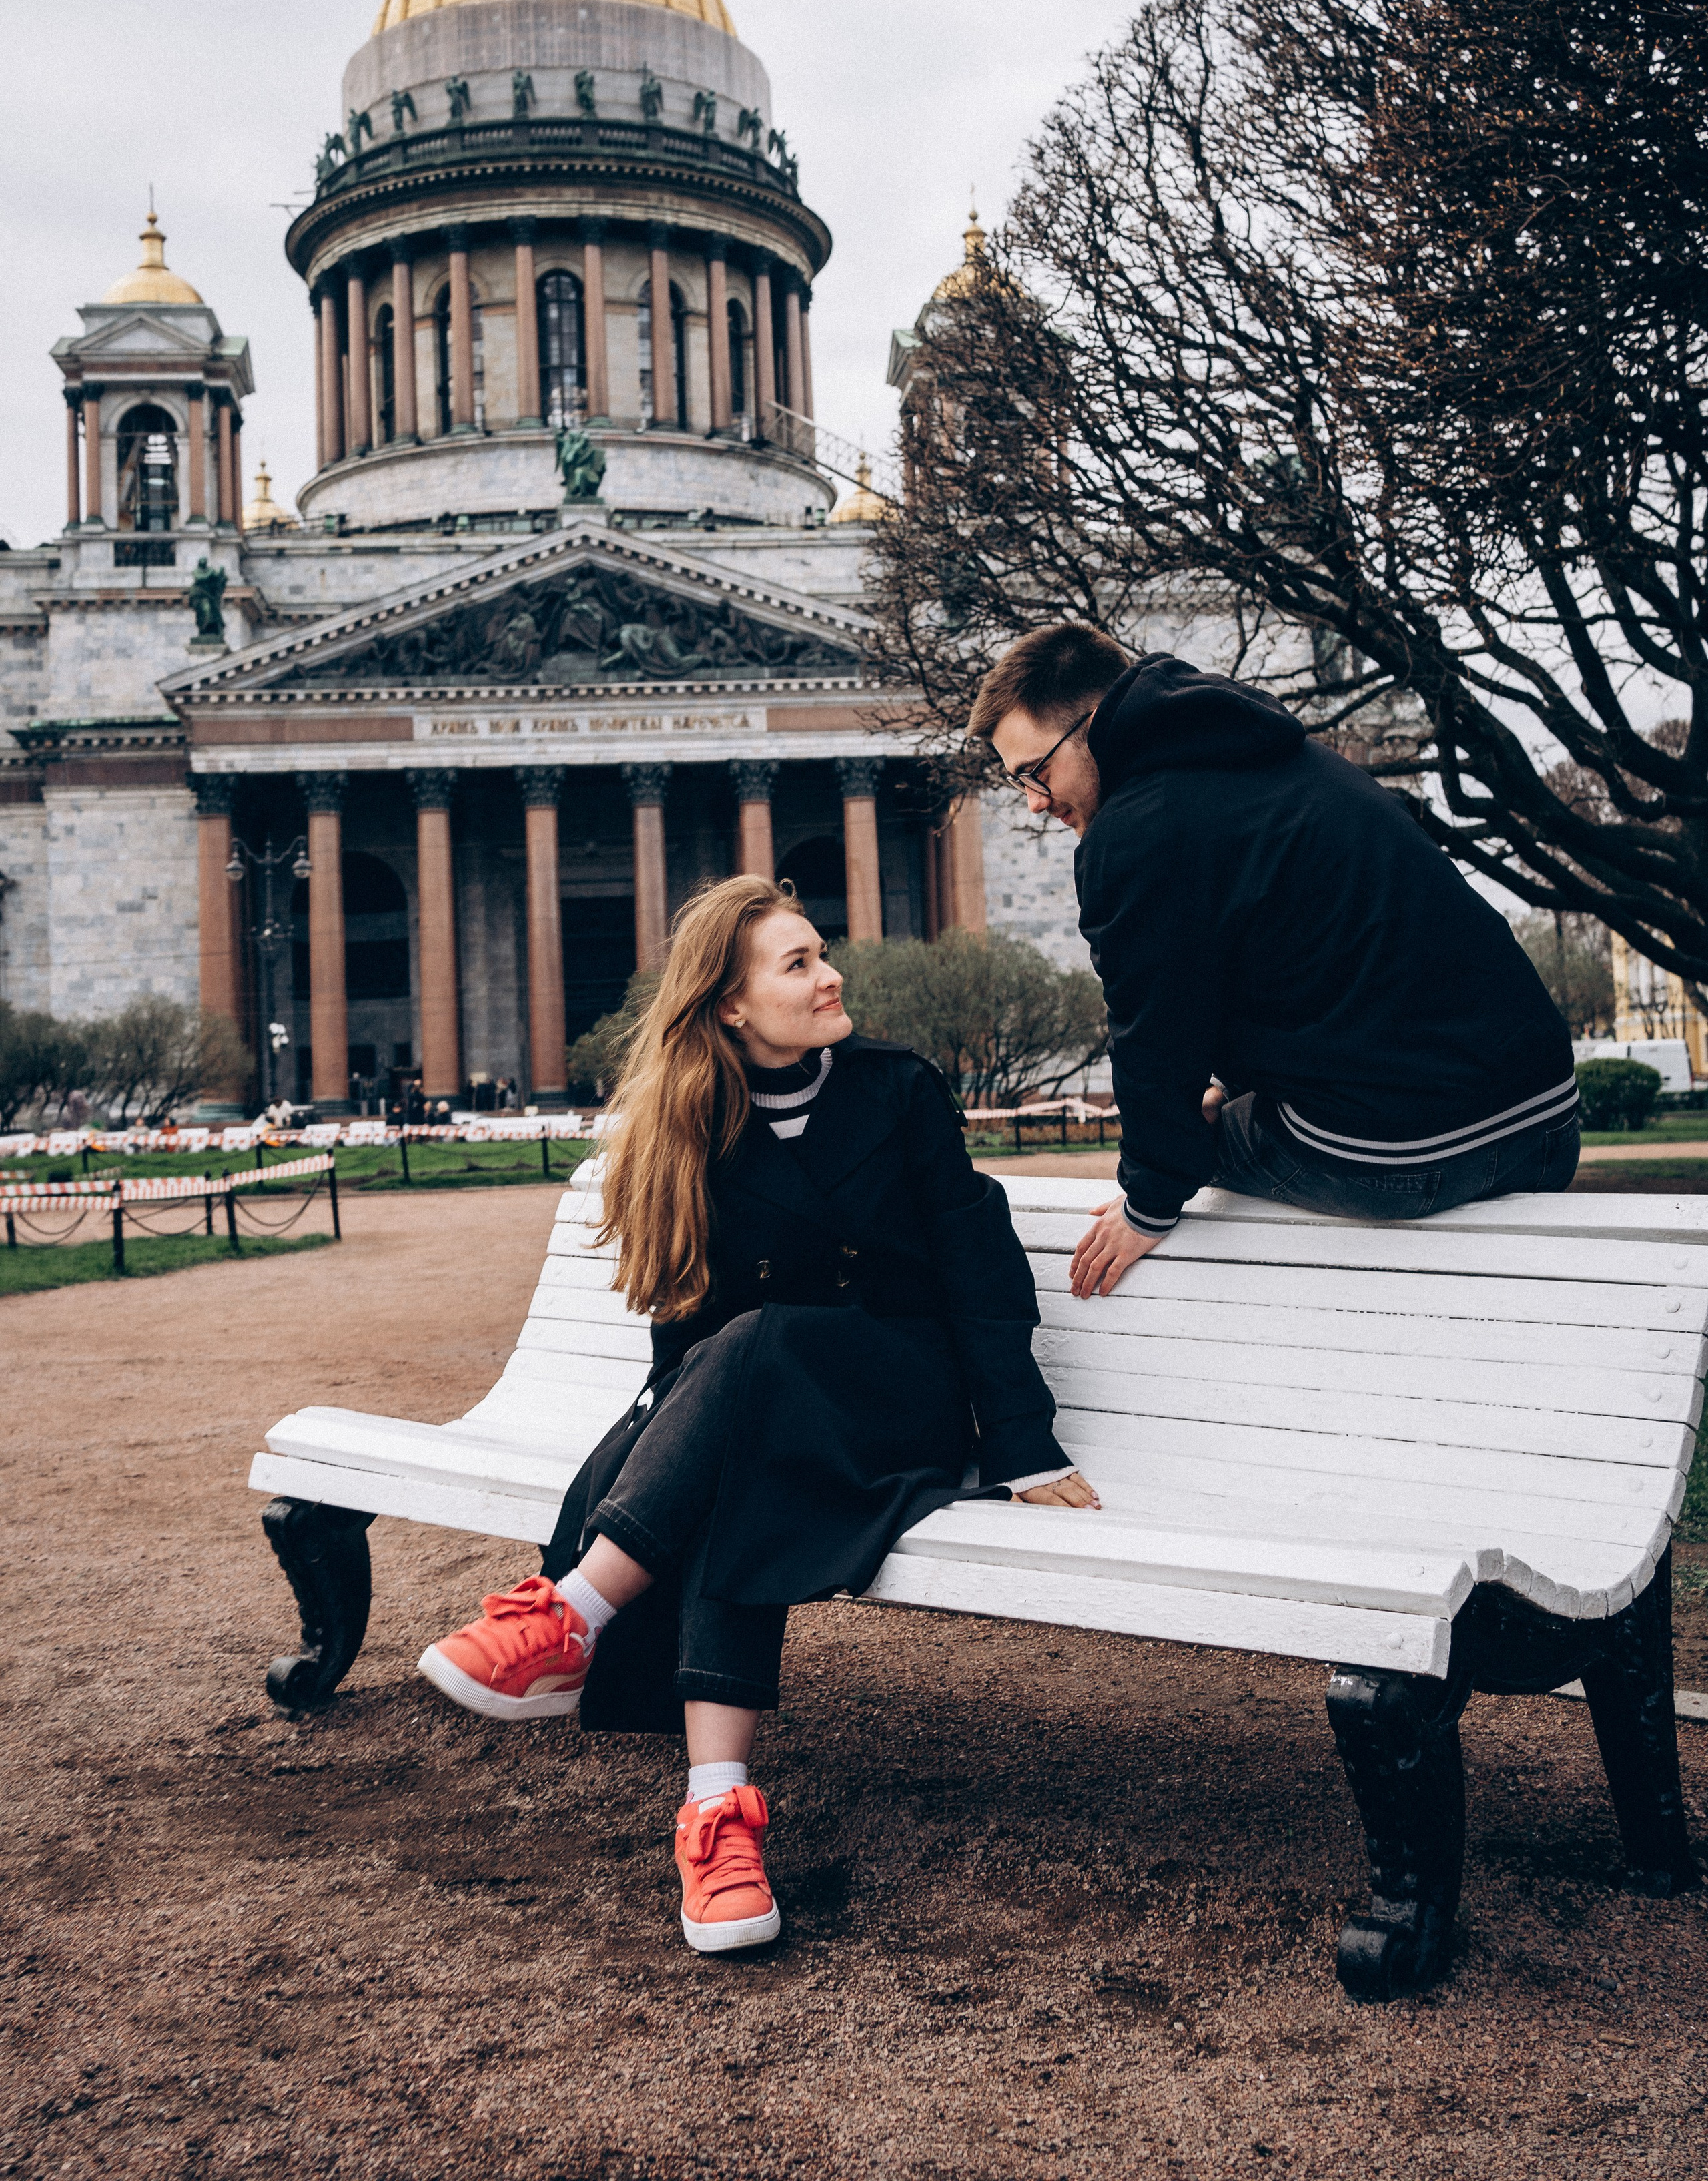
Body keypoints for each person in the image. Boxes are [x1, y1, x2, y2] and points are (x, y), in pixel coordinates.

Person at [416, 874, 1096, 1953]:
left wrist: (1019, 1441)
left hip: (900, 1399)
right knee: (738, 1452)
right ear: (730, 1005)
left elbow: (980, 1273)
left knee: (765, 1351)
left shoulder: (897, 1090)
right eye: (797, 964)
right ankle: (716, 1814)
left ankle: (573, 1615)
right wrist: (660, 1431)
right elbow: (686, 1325)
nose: (830, 976)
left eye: (820, 954)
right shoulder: (685, 1123)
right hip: (764, 1408)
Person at [970, 626, 1579, 1298]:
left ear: (1089, 722)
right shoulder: (1278, 754)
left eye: (1035, 771)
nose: (1032, 800)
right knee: (1213, 1106)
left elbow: (1152, 1033)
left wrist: (1150, 1200)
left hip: (1410, 1153)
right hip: (1547, 1120)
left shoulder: (1134, 833)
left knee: (1197, 1132)